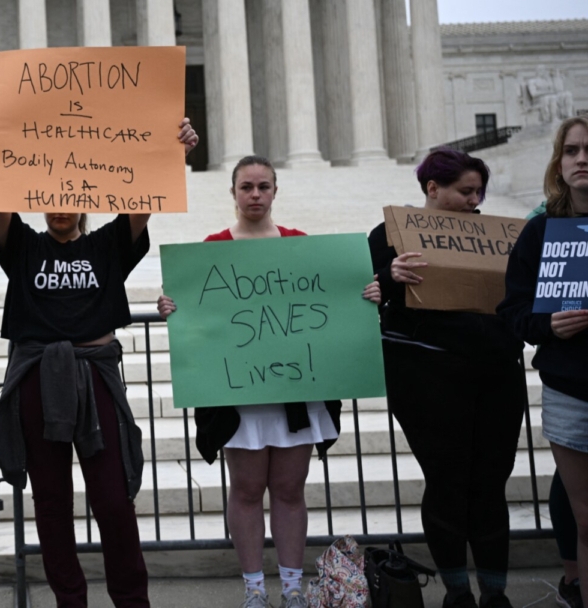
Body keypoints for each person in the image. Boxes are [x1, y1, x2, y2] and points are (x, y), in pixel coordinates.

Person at [0, 105, 199, 608]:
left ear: (84, 200)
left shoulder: (108, 245)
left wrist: (172, 148)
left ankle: (131, 600)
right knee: (50, 501)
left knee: (113, 501)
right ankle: (70, 600)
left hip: (96, 380)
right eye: (49, 196)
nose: (59, 205)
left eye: (69, 195)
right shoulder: (23, 246)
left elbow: (143, 199)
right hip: (37, 382)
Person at [158, 155, 380, 608]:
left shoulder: (300, 245)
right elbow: (201, 318)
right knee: (244, 489)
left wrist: (367, 294)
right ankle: (255, 589)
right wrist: (173, 310)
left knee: (288, 489)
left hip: (293, 391)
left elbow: (333, 301)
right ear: (234, 193)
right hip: (239, 393)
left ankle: (293, 587)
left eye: (263, 186)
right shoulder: (212, 247)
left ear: (275, 191)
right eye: (246, 187)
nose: (255, 194)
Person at [372, 147, 524, 608]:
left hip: (495, 372)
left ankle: (495, 591)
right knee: (446, 479)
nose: (474, 200)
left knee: (492, 481)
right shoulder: (388, 235)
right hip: (427, 374)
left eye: (479, 191)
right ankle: (457, 590)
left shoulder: (498, 237)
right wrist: (389, 275)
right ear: (432, 188)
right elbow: (366, 292)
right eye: (464, 191)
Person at [500, 117, 588, 608]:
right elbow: (513, 314)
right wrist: (548, 326)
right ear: (559, 162)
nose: (582, 159)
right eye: (572, 150)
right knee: (586, 518)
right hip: (570, 392)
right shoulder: (539, 233)